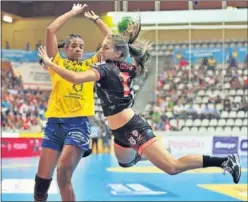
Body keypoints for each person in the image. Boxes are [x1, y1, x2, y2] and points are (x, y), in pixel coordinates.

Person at [37, 18, 241, 185]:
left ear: (116, 53)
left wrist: (49, 63)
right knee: (125, 163)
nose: (101, 48)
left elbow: (74, 78)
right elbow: (114, 41)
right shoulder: (126, 66)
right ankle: (151, 151)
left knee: (172, 167)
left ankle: (225, 161)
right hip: (120, 131)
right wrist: (98, 21)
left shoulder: (105, 69)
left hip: (132, 126)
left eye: (105, 48)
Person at [34, 4, 112, 202]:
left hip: (78, 124)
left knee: (63, 172)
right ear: (66, 48)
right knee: (41, 185)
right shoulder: (56, 62)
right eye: (74, 46)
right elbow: (50, 30)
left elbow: (110, 41)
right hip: (53, 124)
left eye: (81, 47)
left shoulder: (90, 65)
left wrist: (96, 20)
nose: (78, 49)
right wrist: (73, 13)